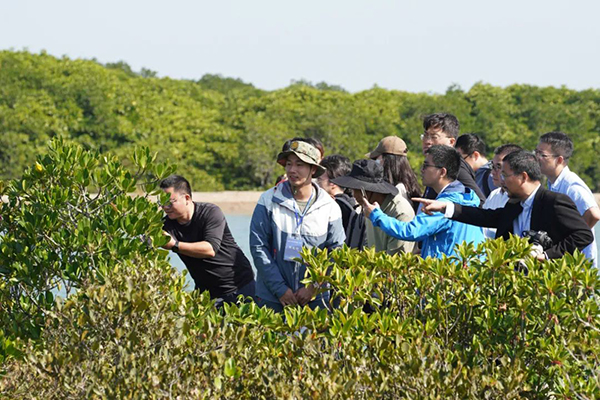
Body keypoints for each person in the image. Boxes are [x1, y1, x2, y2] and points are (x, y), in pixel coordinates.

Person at [414, 150, 594, 261]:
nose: (500, 180)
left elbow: (583, 235)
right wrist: (446, 207)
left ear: (523, 177)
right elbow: (487, 217)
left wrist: (547, 255)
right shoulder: (514, 204)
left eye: (505, 175)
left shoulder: (553, 201)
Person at [250, 139, 345, 312]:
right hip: (272, 298)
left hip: (315, 300)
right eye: (288, 164)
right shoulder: (268, 200)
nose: (292, 170)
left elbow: (336, 252)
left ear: (313, 169)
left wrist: (313, 287)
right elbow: (258, 247)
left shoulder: (329, 206)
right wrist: (280, 289)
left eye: (300, 164)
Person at [360, 145, 485, 258]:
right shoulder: (465, 197)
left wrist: (376, 215)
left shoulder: (446, 204)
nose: (422, 170)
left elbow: (410, 231)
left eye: (426, 165)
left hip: (449, 277)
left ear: (442, 172)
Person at [160, 175, 256, 305]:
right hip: (205, 292)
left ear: (186, 198)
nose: (165, 207)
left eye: (169, 202)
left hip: (239, 285)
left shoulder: (210, 213)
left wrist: (174, 245)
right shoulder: (166, 224)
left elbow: (210, 249)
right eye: (162, 202)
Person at [535, 132, 599, 268]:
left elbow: (594, 214)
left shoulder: (572, 186)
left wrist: (574, 239)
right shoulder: (553, 184)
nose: (537, 158)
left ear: (559, 160)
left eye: (542, 155)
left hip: (578, 268)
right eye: (536, 152)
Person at [331, 159, 416, 255]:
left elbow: (396, 260)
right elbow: (369, 245)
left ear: (367, 190)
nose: (354, 195)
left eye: (356, 189)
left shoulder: (401, 212)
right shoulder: (369, 207)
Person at [420, 113, 486, 204]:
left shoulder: (456, 165)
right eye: (426, 135)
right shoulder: (436, 162)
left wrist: (450, 210)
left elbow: (481, 202)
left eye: (434, 137)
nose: (427, 141)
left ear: (451, 142)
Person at [318, 154, 366, 249]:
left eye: (319, 179)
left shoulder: (334, 206)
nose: (316, 183)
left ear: (332, 183)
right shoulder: (352, 203)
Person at [365, 136, 421, 209]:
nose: (375, 162)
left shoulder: (399, 190)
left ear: (386, 160)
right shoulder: (408, 185)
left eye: (376, 158)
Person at [481, 144, 522, 238]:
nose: (492, 172)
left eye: (499, 167)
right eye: (492, 166)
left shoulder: (521, 200)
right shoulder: (494, 194)